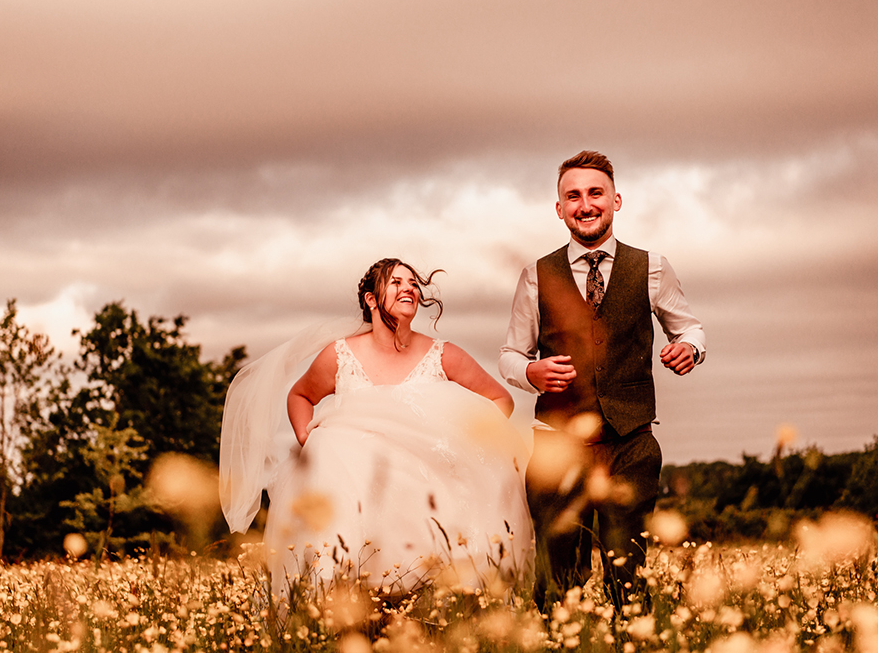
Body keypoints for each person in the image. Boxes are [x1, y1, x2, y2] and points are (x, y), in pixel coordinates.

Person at [220, 258, 534, 602]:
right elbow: (300, 396)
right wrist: (311, 442)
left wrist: (457, 440)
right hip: (357, 491)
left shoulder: (444, 355)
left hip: (425, 490)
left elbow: (500, 400)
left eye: (413, 284)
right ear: (371, 299)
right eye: (396, 282)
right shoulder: (339, 356)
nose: (409, 289)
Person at [499, 151, 706, 612]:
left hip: (631, 443)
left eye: (595, 193)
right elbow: (511, 355)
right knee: (557, 581)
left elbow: (689, 329)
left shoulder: (653, 267)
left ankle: (630, 640)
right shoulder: (536, 276)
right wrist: (530, 372)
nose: (585, 204)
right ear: (559, 209)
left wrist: (689, 349)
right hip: (557, 446)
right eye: (573, 196)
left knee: (627, 579)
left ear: (616, 200)